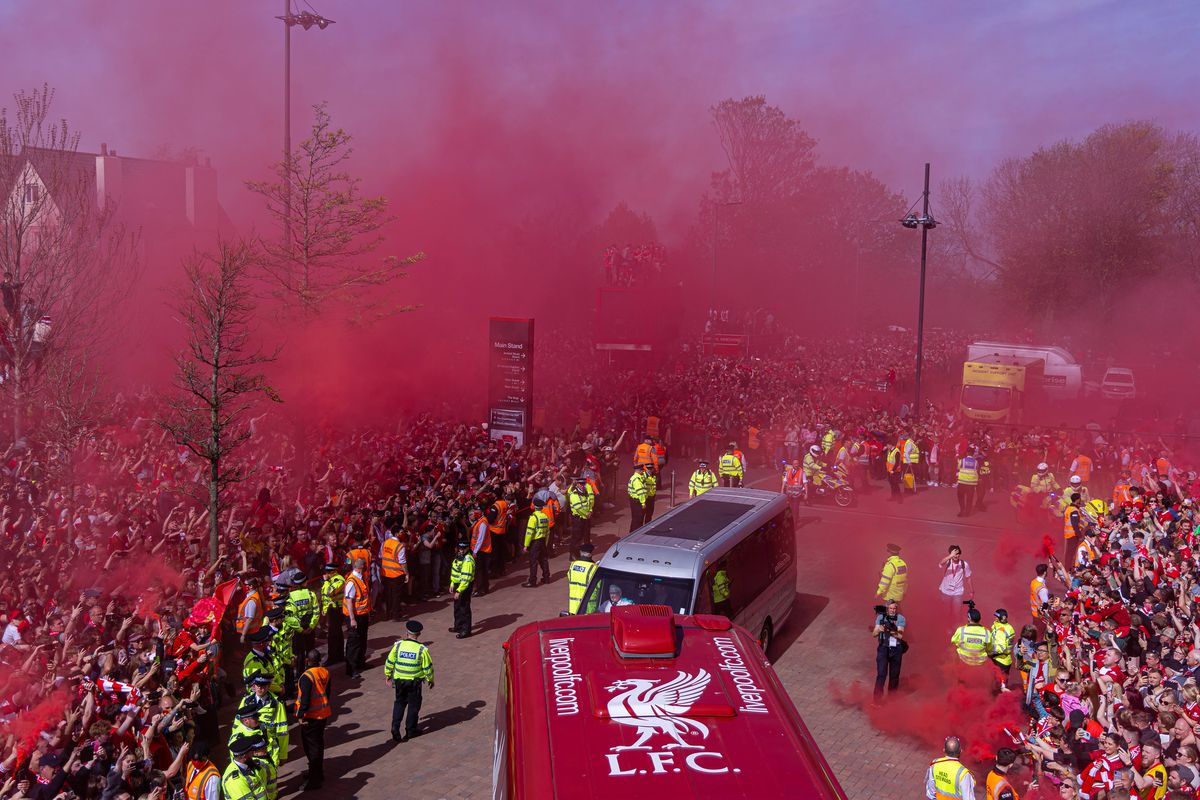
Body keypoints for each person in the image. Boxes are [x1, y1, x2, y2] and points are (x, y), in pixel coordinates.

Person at [385, 620, 434, 742]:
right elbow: (427, 668)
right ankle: (410, 730)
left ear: (407, 633)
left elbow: (389, 661)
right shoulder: (422, 650)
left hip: (399, 681)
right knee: (413, 706)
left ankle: (395, 727)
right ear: (419, 634)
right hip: (414, 683)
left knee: (399, 703)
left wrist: (388, 675)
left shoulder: (398, 646)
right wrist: (430, 680)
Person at [295, 648, 332, 791]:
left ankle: (314, 779)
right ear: (319, 660)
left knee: (312, 748)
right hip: (323, 713)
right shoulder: (325, 672)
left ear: (307, 661)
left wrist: (300, 716)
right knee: (318, 744)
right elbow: (327, 693)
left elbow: (305, 700)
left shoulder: (306, 676)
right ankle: (316, 773)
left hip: (311, 717)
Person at [285, 571, 319, 676]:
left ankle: (300, 675)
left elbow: (290, 617)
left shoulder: (290, 596)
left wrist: (300, 630)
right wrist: (311, 627)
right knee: (310, 651)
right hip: (309, 628)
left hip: (297, 630)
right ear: (305, 582)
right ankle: (313, 673)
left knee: (299, 653)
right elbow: (316, 612)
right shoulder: (311, 594)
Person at [873, 600, 906, 702]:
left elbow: (900, 635)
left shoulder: (900, 618)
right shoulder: (880, 618)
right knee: (881, 674)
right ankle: (877, 700)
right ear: (887, 609)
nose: (893, 610)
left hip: (896, 649)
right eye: (891, 608)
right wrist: (879, 630)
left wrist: (889, 631)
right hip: (883, 648)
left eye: (894, 608)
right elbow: (874, 634)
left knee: (894, 675)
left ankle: (892, 699)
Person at [343, 557, 371, 679]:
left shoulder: (360, 578)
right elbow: (349, 601)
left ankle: (360, 662)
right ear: (361, 569)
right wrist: (352, 619)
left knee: (362, 639)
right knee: (354, 642)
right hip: (355, 617)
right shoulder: (352, 582)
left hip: (363, 615)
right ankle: (351, 669)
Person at [926, 736, 976, 800]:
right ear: (960, 751)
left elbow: (930, 791)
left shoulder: (935, 764)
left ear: (944, 750)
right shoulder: (963, 774)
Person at [223, 733, 270, 800]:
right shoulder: (235, 781)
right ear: (244, 756)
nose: (253, 753)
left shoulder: (250, 765)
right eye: (251, 752)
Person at [938, 545, 975, 622]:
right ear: (950, 554)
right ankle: (946, 626)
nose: (956, 555)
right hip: (946, 591)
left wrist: (971, 591)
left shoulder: (964, 564)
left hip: (957, 592)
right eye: (954, 554)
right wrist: (950, 556)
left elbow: (968, 578)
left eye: (958, 553)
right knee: (946, 612)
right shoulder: (947, 561)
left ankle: (955, 626)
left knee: (957, 612)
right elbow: (940, 563)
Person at [380, 526, 409, 618]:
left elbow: (380, 555)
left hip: (385, 574)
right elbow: (403, 562)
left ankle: (388, 613)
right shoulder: (400, 546)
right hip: (396, 575)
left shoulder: (384, 543)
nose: (403, 534)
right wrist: (407, 573)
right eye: (401, 532)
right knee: (396, 595)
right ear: (396, 534)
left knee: (388, 594)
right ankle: (396, 615)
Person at [448, 538, 475, 639]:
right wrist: (452, 584)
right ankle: (458, 626)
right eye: (460, 548)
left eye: (463, 548)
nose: (461, 550)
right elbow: (454, 571)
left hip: (464, 586)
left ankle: (465, 630)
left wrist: (459, 590)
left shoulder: (467, 560)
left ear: (467, 548)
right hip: (457, 584)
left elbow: (465, 578)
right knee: (457, 607)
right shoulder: (458, 557)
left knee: (464, 607)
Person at [321, 564, 346, 667]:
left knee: (333, 635)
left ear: (334, 571)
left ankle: (333, 657)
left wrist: (326, 581)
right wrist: (324, 608)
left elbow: (329, 593)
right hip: (331, 609)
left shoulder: (339, 580)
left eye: (328, 572)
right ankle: (339, 655)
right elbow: (324, 596)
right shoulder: (331, 580)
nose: (326, 574)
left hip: (336, 610)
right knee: (337, 633)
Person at [522, 499, 551, 587]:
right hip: (542, 541)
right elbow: (547, 531)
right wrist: (545, 542)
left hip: (535, 542)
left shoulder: (533, 518)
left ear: (534, 506)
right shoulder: (545, 517)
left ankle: (532, 581)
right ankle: (546, 578)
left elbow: (529, 533)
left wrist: (526, 545)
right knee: (544, 560)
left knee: (533, 561)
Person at [566, 476, 594, 560]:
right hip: (578, 519)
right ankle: (573, 555)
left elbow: (589, 502)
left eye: (583, 484)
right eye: (580, 484)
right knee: (576, 538)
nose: (582, 485)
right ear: (577, 484)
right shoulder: (574, 494)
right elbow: (578, 507)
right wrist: (587, 514)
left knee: (583, 536)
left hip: (585, 517)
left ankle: (582, 555)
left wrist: (590, 510)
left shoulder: (585, 492)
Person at [989, 609, 1016, 692]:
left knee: (999, 687)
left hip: (999, 660)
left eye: (996, 617)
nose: (995, 618)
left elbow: (1000, 648)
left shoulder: (1001, 630)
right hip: (1006, 659)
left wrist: (990, 653)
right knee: (1004, 682)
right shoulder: (1009, 627)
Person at [567, 543, 598, 614]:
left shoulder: (573, 565)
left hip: (573, 607)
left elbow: (570, 578)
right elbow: (599, 585)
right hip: (588, 608)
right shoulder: (593, 567)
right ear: (591, 554)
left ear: (580, 553)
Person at [469, 509, 491, 595]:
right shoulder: (481, 521)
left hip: (481, 550)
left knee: (479, 570)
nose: (474, 515)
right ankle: (485, 588)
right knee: (483, 570)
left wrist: (475, 551)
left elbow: (480, 538)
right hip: (482, 549)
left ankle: (480, 589)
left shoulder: (482, 523)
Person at [956, 448, 980, 517]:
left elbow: (958, 468)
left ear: (967, 453)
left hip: (962, 482)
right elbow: (977, 469)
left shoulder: (962, 461)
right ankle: (967, 513)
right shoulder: (976, 462)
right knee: (969, 498)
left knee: (961, 497)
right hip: (971, 483)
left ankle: (962, 510)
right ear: (973, 454)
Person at [1063, 493, 1084, 565]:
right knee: (1071, 554)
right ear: (1077, 499)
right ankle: (1069, 569)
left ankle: (1067, 568)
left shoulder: (1069, 508)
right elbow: (1075, 524)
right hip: (1073, 535)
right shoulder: (1074, 510)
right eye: (1080, 499)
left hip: (1068, 535)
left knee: (1068, 553)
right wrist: (1080, 535)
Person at [627, 463, 650, 532]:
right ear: (639, 470)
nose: (643, 472)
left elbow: (644, 477)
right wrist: (643, 503)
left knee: (635, 518)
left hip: (634, 501)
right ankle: (635, 533)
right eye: (642, 470)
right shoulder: (637, 480)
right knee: (638, 519)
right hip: (637, 502)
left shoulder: (635, 477)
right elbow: (640, 492)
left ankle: (632, 532)